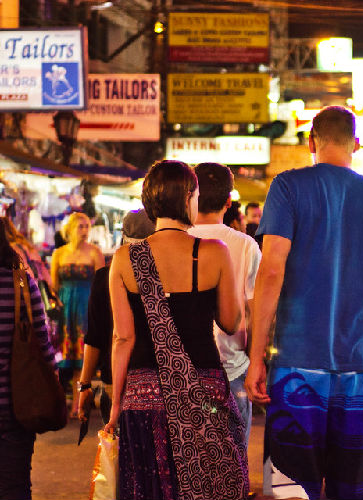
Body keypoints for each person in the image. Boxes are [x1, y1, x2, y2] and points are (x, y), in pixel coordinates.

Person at [244, 106, 363, 500]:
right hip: (361, 368)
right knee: (355, 487)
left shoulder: (287, 187)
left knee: (292, 489)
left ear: (311, 141)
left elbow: (271, 273)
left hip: (296, 365)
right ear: (357, 144)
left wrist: (256, 355)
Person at [104, 160, 249, 500]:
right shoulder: (214, 252)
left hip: (142, 400)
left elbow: (122, 338)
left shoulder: (125, 258)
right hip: (204, 395)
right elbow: (231, 322)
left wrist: (115, 406)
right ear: (188, 198)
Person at [189, 162, 261, 447]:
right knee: (234, 463)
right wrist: (257, 360)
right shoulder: (245, 245)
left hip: (185, 371)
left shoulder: (174, 241)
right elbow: (255, 312)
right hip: (233, 368)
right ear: (229, 201)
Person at [77, 209, 155, 424]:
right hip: (158, 381)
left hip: (115, 379)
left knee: (119, 453)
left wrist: (84, 385)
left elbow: (94, 336)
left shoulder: (105, 277)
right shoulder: (167, 276)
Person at [0, 218, 56, 500]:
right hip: (16, 407)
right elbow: (42, 342)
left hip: (14, 409)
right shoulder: (21, 280)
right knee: (15, 486)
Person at [50, 211, 104, 417]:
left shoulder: (94, 252)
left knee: (84, 358)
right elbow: (54, 285)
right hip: (66, 309)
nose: (84, 231)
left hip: (86, 306)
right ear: (70, 229)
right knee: (67, 359)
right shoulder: (59, 254)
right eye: (80, 226)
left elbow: (101, 284)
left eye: (87, 226)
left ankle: (78, 402)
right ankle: (69, 401)